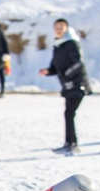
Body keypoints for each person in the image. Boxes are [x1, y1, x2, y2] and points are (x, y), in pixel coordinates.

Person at [39, 18, 91, 154]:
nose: (59, 29)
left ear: (67, 28)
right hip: (67, 86)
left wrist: (68, 75)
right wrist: (48, 71)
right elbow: (55, 68)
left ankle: (72, 145)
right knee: (68, 114)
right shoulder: (57, 45)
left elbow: (78, 63)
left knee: (69, 113)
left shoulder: (72, 43)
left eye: (61, 26)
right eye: (56, 26)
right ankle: (69, 143)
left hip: (77, 84)